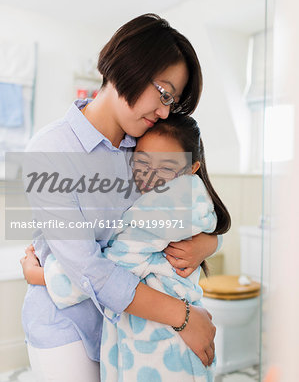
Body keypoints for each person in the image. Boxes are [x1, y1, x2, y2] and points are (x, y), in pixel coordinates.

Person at [20, 13, 223, 382]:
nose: (164, 111)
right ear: (127, 67)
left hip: (135, 328)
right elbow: (91, 272)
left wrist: (207, 243)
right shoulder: (51, 150)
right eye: (163, 94)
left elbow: (191, 210)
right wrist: (184, 317)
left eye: (171, 102)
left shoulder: (147, 147)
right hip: (70, 327)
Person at [24, 114, 231, 382]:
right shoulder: (185, 197)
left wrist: (40, 276)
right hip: (163, 334)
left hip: (161, 341)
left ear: (191, 169)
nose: (149, 175)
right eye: (142, 161)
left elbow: (112, 267)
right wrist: (212, 242)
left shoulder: (165, 204)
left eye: (166, 168)